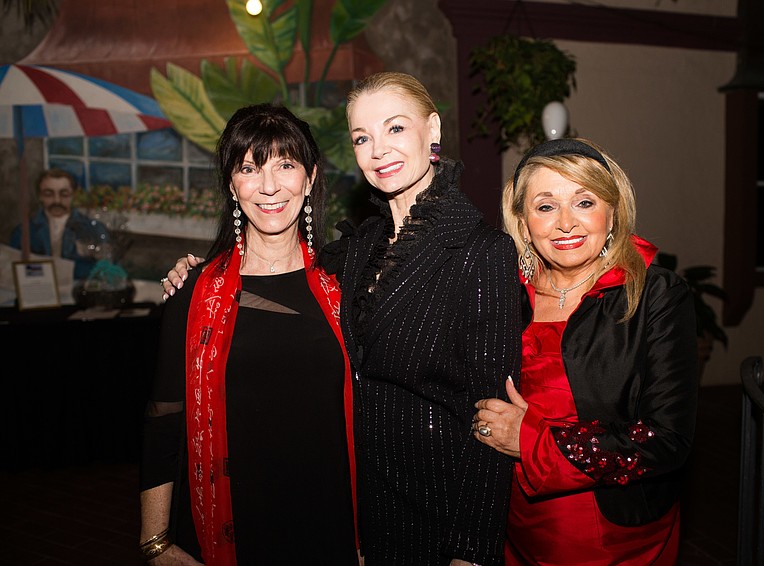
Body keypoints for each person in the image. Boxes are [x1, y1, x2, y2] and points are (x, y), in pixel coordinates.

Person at [161, 72, 522, 565]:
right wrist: (193, 272)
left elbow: (493, 421)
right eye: (361, 137)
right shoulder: (359, 251)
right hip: (363, 516)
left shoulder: (482, 251)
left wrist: (471, 553)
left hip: (440, 516)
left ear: (432, 130)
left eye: (395, 129)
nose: (379, 150)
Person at [139, 103, 358, 565]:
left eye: (286, 164)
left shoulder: (348, 283)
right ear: (232, 185)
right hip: (234, 525)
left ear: (311, 177)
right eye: (249, 168)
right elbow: (164, 420)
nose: (270, 185)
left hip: (331, 520)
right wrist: (155, 541)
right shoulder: (194, 294)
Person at [471, 137, 700, 565]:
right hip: (511, 518)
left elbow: (667, 439)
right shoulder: (502, 295)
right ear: (522, 224)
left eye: (584, 201)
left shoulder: (655, 294)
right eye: (544, 206)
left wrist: (532, 442)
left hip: (613, 536)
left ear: (612, 212)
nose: (565, 223)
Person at [10, 168, 109, 280]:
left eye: (64, 194)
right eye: (49, 194)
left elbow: (103, 268)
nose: (57, 201)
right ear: (40, 196)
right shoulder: (23, 231)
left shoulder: (94, 229)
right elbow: (15, 269)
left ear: (74, 195)